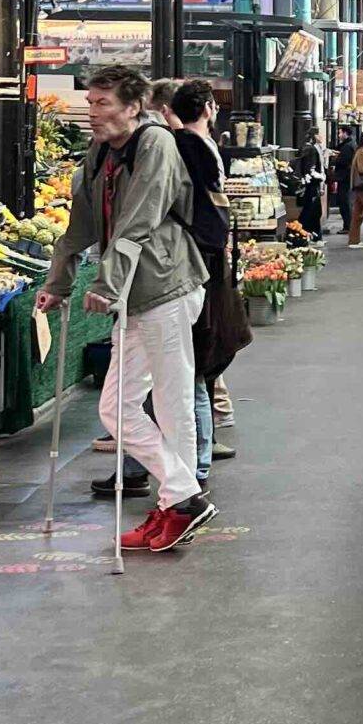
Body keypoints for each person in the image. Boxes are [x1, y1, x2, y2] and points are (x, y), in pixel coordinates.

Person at [38, 65, 213, 554]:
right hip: (135, 295)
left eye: (103, 103)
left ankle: (177, 504)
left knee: (173, 405)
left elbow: (139, 219)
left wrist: (107, 283)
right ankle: (183, 496)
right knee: (117, 407)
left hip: (167, 285)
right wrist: (59, 281)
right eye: (90, 103)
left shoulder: (155, 144)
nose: (92, 113)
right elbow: (82, 222)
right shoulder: (100, 152)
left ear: (133, 107)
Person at [160, 78, 242, 505]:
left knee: (190, 368)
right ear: (209, 108)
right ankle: (195, 462)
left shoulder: (185, 147)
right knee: (195, 367)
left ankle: (196, 464)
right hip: (205, 263)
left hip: (193, 265)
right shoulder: (200, 147)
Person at [293, 132, 326, 235]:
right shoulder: (312, 149)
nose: (321, 137)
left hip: (307, 184)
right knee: (313, 211)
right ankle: (309, 234)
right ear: (314, 137)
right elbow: (311, 170)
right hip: (312, 185)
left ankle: (307, 233)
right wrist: (322, 177)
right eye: (319, 134)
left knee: (310, 210)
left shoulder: (305, 148)